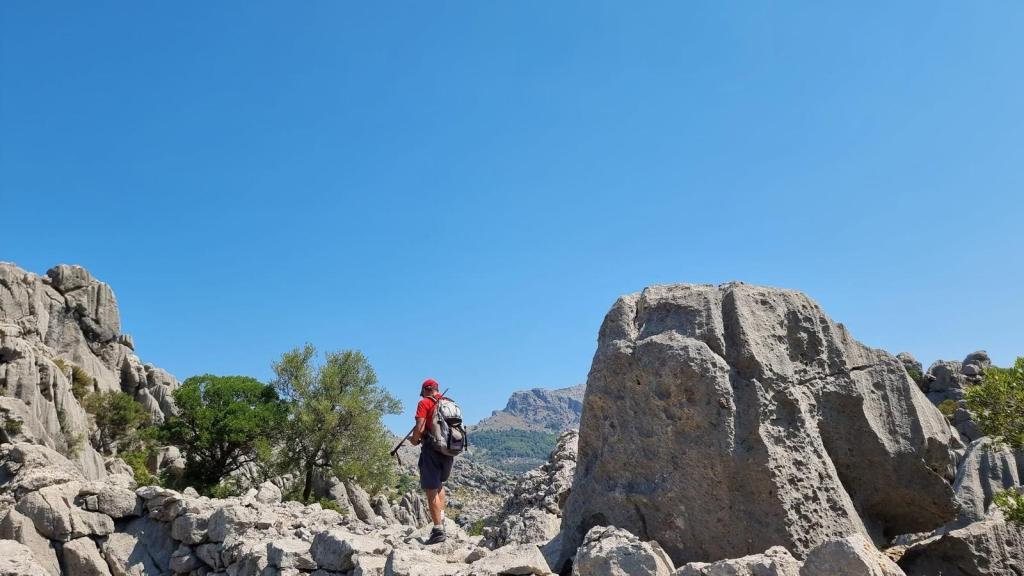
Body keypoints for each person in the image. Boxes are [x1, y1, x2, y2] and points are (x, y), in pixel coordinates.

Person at [409, 378, 454, 544]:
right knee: (439, 485)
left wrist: (414, 440)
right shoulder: (448, 402)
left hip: (432, 449)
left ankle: (437, 530)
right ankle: (441, 521)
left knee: (430, 489)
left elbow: (419, 428)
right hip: (449, 450)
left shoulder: (424, 403)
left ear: (426, 390)